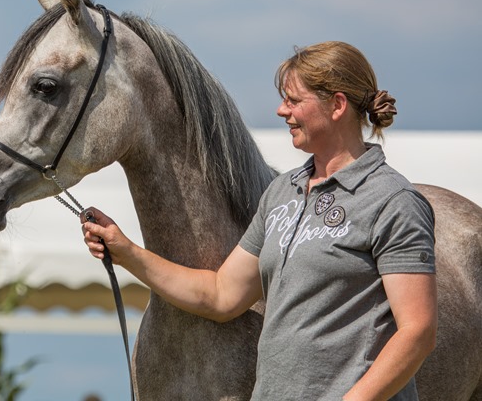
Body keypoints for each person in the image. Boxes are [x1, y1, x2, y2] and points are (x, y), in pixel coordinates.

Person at [81, 41, 437, 400]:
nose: (282, 110)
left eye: (294, 100)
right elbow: (221, 295)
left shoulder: (392, 200)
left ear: (337, 105)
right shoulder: (283, 192)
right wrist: (126, 252)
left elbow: (417, 330)